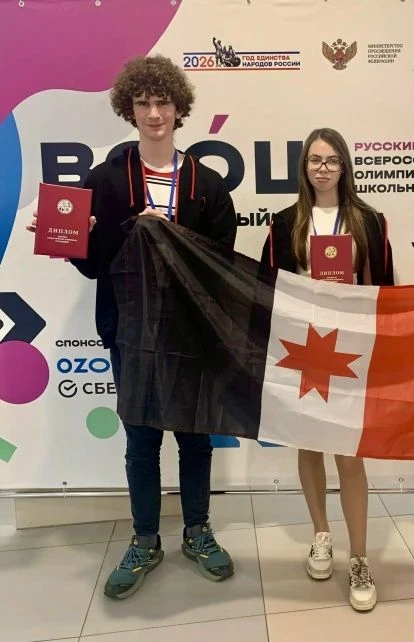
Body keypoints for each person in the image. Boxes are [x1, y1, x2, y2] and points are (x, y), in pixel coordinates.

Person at [27, 55, 237, 599]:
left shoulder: (208, 185)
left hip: (191, 333)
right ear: (129, 109)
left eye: (162, 102)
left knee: (194, 437)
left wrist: (171, 237)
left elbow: (220, 270)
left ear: (179, 107)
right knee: (142, 440)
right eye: (143, 103)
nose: (154, 113)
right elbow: (93, 265)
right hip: (130, 332)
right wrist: (71, 238)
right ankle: (145, 539)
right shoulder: (105, 180)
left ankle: (197, 531)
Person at [260, 127, 394, 612]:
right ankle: (321, 534)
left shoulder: (369, 221)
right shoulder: (284, 223)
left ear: (344, 167)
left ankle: (359, 557)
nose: (323, 168)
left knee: (349, 453)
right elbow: (268, 288)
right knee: (310, 444)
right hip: (303, 347)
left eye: (332, 160)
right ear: (304, 167)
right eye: (315, 160)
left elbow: (385, 289)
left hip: (352, 348)